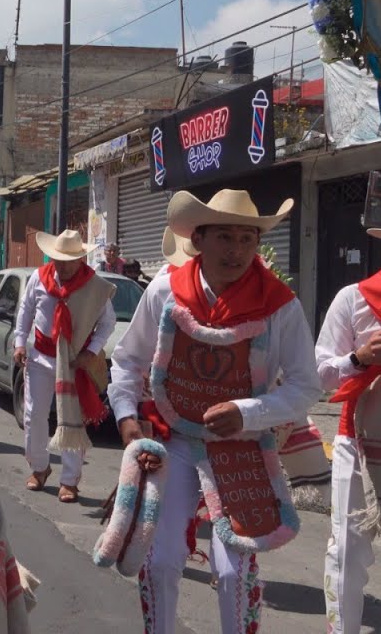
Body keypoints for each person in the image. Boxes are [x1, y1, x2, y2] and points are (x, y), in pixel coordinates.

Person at [108, 189, 319, 634]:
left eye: (247, 239)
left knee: (232, 571)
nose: (237, 251)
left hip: (242, 446)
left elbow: (305, 385)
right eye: (225, 237)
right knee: (162, 559)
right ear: (198, 239)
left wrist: (249, 412)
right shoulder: (166, 289)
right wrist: (127, 416)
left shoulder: (280, 305)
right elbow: (128, 360)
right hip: (177, 440)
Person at [319, 220, 381, 632]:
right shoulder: (352, 299)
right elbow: (319, 375)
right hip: (356, 440)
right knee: (348, 552)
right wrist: (359, 357)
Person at [12, 229, 116, 504]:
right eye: (59, 259)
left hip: (73, 361)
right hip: (41, 356)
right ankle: (39, 467)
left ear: (80, 258)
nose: (63, 265)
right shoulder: (39, 277)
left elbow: (107, 323)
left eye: (69, 260)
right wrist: (20, 343)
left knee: (71, 418)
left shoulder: (95, 286)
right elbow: (25, 312)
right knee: (34, 415)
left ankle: (70, 481)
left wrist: (91, 352)